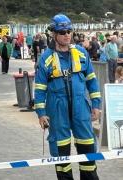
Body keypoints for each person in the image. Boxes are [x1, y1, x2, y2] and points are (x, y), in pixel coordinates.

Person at [34, 14, 101, 180]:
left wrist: (96, 105)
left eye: (69, 31)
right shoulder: (46, 58)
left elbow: (92, 80)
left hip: (81, 107)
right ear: (54, 34)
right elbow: (40, 88)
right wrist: (41, 112)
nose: (67, 35)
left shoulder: (81, 53)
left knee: (87, 147)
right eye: (62, 31)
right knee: (60, 150)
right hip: (57, 109)